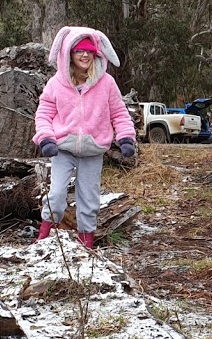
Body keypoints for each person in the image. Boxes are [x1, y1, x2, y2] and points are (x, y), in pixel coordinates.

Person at [33, 26, 137, 249]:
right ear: (68, 53)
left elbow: (119, 112)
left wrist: (126, 137)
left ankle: (86, 245)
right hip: (62, 148)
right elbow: (43, 113)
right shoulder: (56, 84)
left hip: (92, 150)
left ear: (96, 54)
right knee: (57, 193)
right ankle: (42, 240)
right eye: (79, 50)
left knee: (89, 200)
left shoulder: (106, 83)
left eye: (89, 51)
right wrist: (46, 138)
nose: (84, 55)